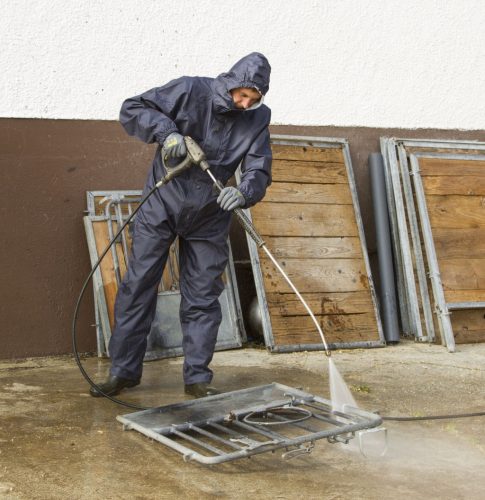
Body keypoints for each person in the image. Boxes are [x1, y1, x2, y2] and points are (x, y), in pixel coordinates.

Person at [90, 52, 272, 399]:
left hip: (210, 215)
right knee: (138, 286)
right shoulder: (190, 91)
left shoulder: (258, 118)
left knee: (203, 296)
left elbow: (258, 167)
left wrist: (244, 192)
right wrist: (167, 132)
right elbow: (133, 108)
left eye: (253, 99)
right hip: (163, 204)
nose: (245, 104)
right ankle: (122, 372)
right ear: (231, 83)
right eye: (242, 95)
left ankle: (197, 378)